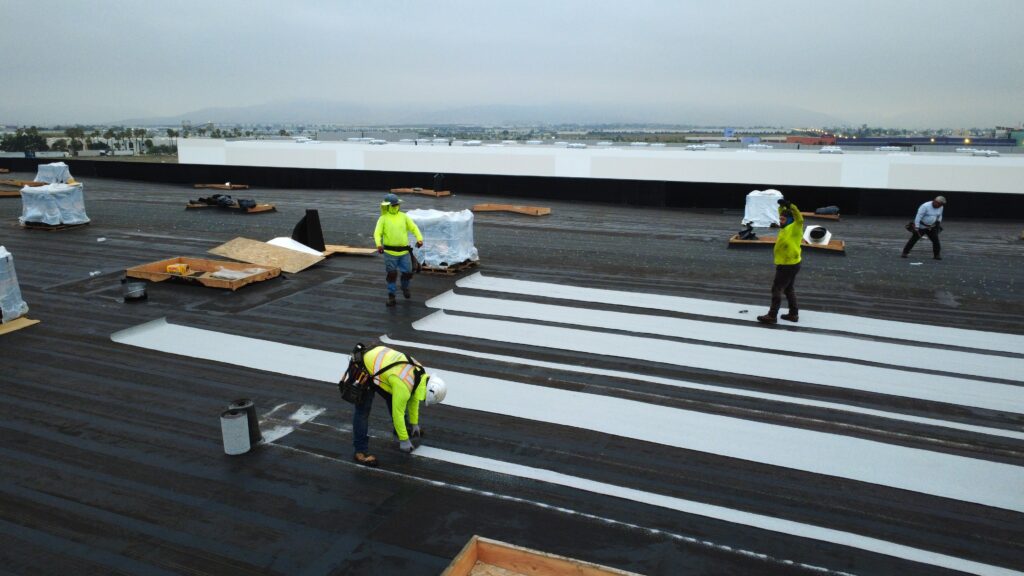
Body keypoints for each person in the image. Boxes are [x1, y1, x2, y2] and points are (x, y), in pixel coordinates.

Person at [352, 343, 447, 467]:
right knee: (362, 411)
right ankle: (360, 451)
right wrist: (404, 441)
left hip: (380, 365)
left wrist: (414, 423)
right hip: (363, 366)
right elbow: (398, 412)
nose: (423, 401)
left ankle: (402, 429)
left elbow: (414, 398)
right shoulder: (403, 387)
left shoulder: (420, 373)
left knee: (394, 397)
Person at [758, 198, 803, 324]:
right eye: (780, 219)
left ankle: (772, 316)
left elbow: (799, 217)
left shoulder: (796, 227)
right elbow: (782, 214)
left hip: (788, 265)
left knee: (776, 289)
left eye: (783, 219)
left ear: (789, 220)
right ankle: (793, 314)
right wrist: (782, 207)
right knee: (789, 289)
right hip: (791, 263)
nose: (780, 221)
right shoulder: (786, 227)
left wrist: (791, 206)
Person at [373, 193, 424, 306]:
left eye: (397, 204)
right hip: (390, 253)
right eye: (393, 205)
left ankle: (405, 287)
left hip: (404, 252)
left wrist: (419, 239)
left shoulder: (404, 216)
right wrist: (379, 245)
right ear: (387, 206)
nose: (396, 206)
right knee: (391, 275)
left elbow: (413, 227)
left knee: (408, 273)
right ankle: (391, 296)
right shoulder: (383, 219)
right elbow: (377, 233)